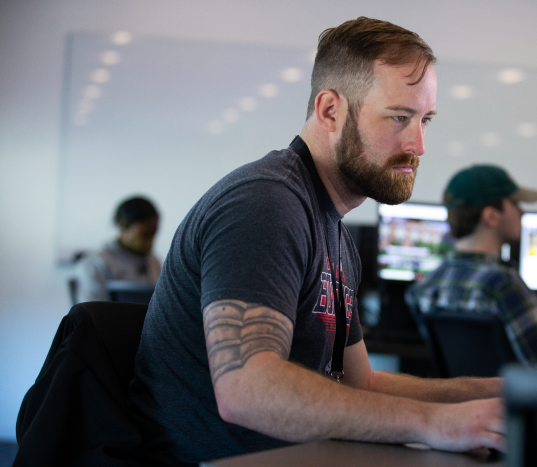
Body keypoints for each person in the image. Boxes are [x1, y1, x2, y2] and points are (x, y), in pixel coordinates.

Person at [128, 17, 504, 466]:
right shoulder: (266, 203)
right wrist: (435, 424)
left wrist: (492, 395)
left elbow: (358, 383)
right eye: (399, 118)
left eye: (425, 120)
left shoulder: (334, 233)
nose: (418, 144)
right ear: (330, 111)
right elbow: (247, 390)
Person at [406, 165, 537, 371]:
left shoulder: (423, 288)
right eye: (515, 203)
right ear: (491, 215)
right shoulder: (503, 284)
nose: (522, 211)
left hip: (461, 402)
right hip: (512, 402)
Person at [74, 196, 161, 302]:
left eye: (153, 233)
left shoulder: (154, 262)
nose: (150, 240)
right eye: (144, 234)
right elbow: (91, 314)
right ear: (123, 225)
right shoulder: (95, 265)